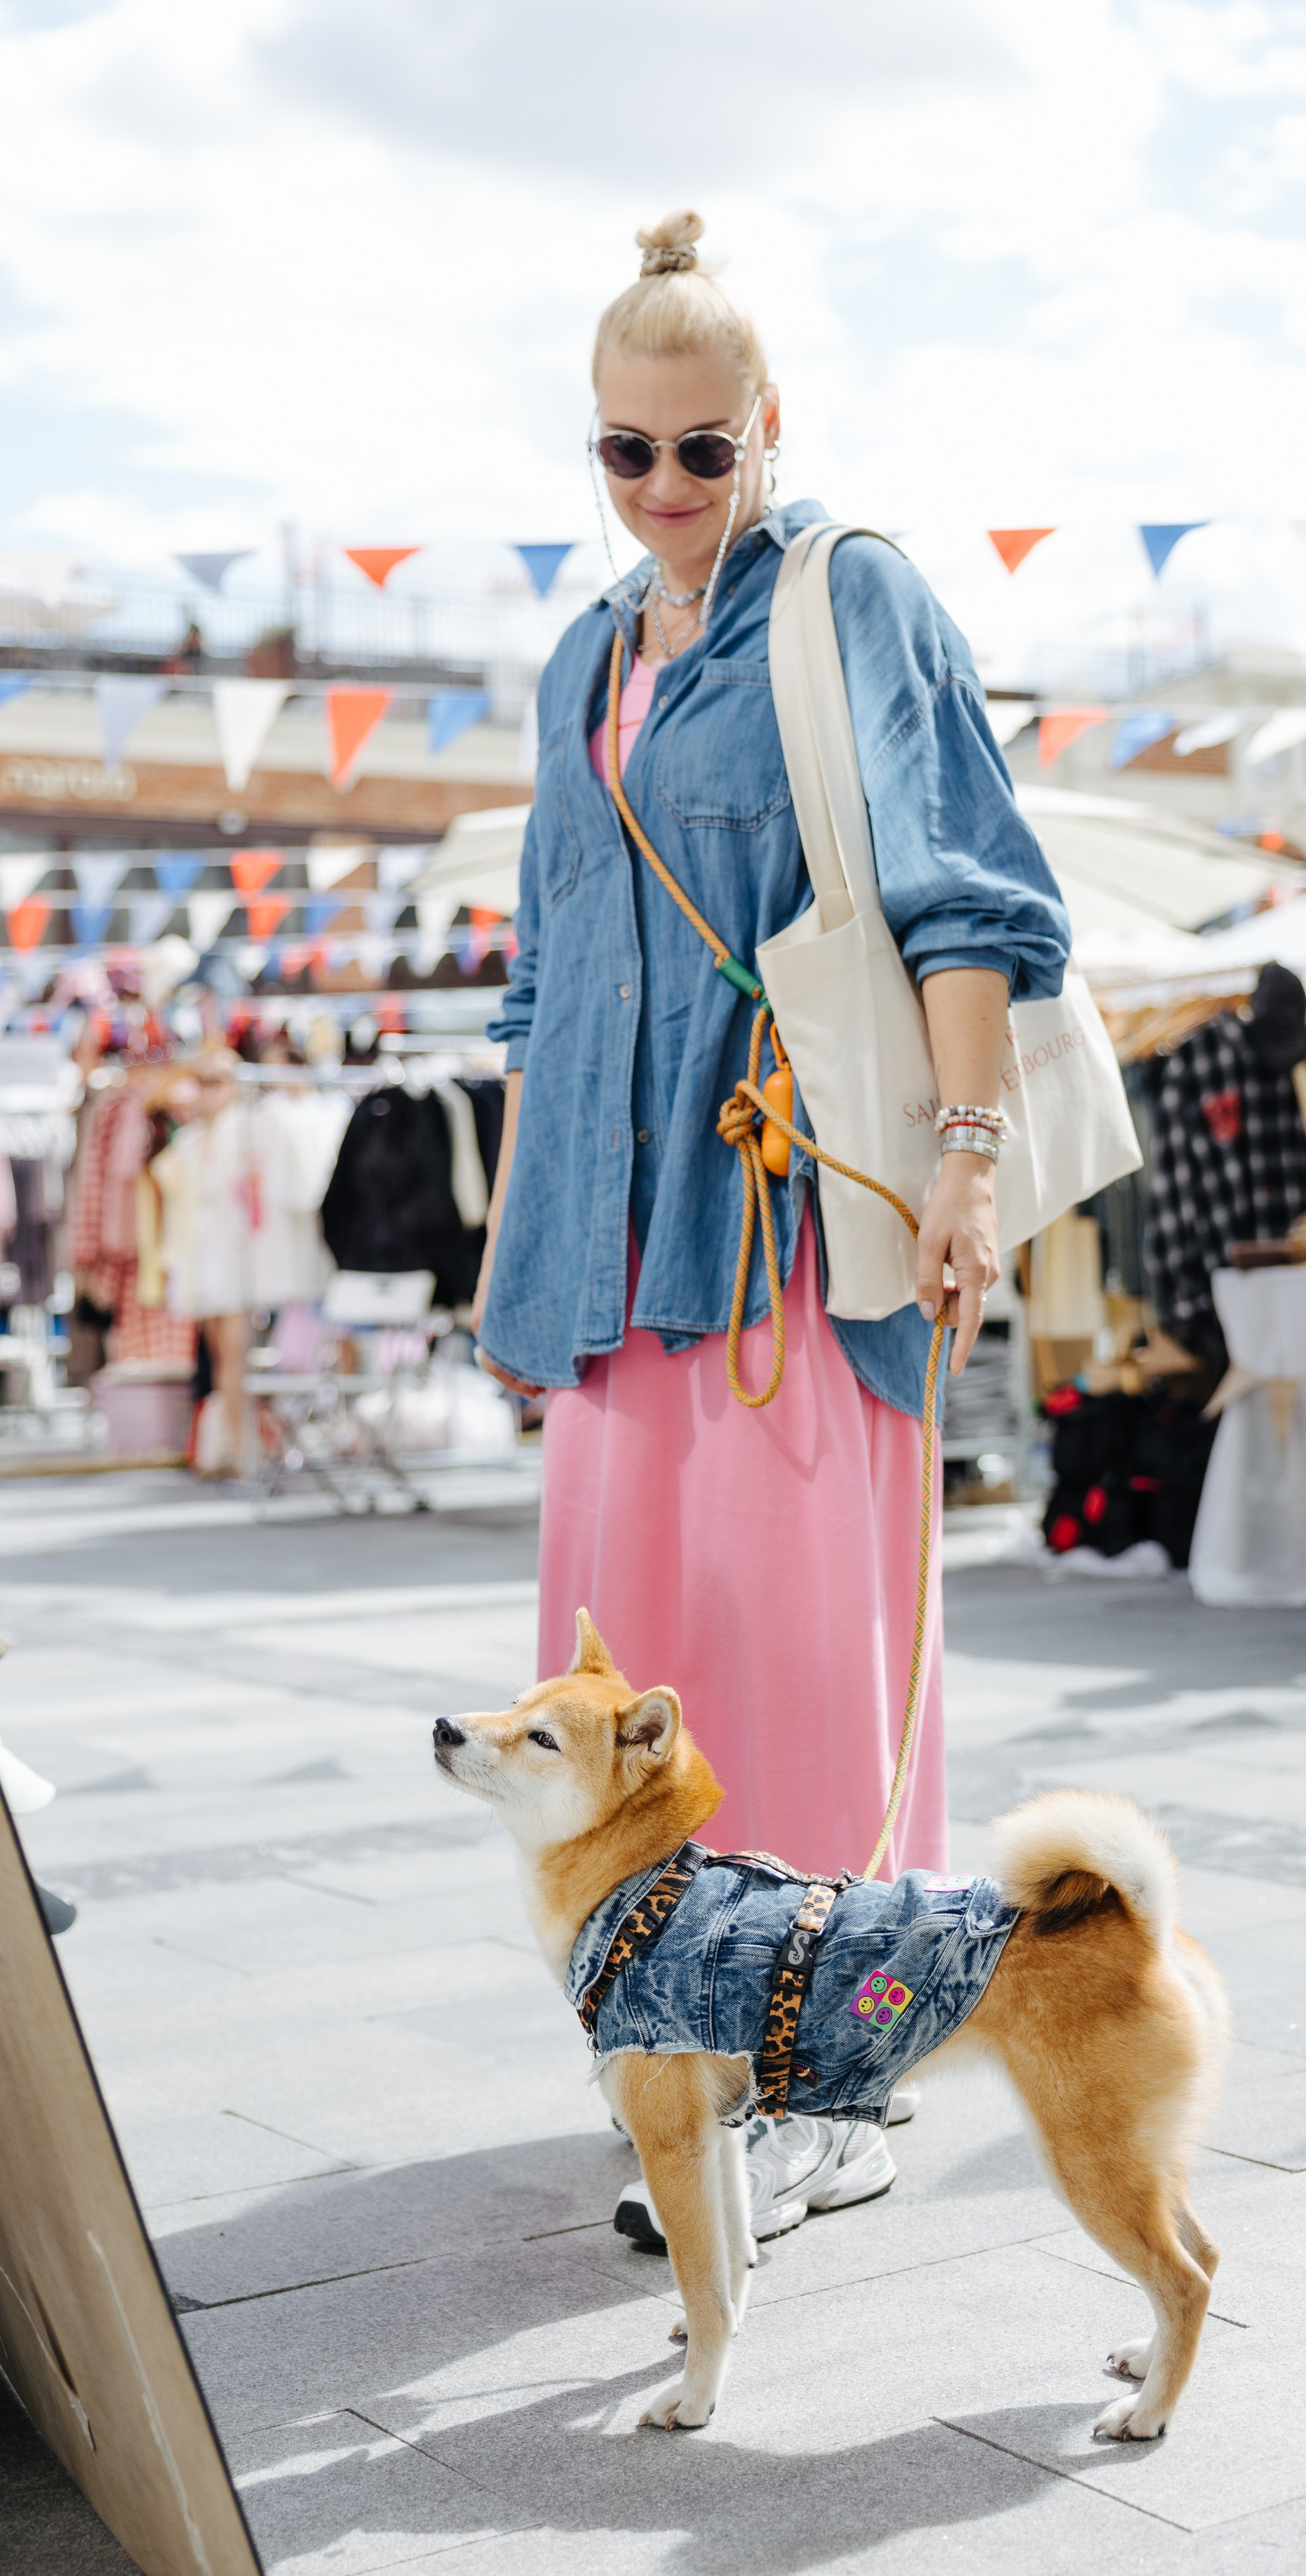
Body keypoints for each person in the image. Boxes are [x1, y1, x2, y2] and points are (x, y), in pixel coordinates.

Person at [474, 209, 1071, 2237]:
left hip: (784, 1224)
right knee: (623, 1687)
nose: (662, 485)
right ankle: (684, 2048)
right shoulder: (581, 660)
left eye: (700, 448)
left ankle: (830, 2078)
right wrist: (512, 1241)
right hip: (605, 1247)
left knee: (802, 1659)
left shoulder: (846, 599)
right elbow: (546, 975)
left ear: (768, 423)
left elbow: (962, 892)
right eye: (622, 449)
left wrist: (966, 1154)